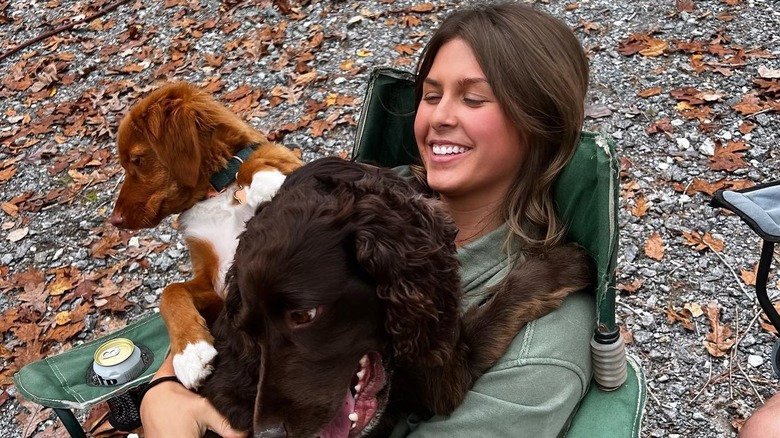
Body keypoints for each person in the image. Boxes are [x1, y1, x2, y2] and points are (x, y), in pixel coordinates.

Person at [139, 2, 595, 437]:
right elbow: (241, 307)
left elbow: (440, 377)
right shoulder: (347, 196)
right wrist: (162, 394)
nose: (439, 116)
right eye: (430, 95)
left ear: (541, 123)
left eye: (473, 99)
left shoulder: (545, 350)